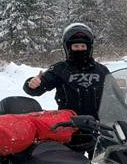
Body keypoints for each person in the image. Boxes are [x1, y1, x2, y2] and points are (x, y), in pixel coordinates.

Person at [23, 23, 110, 156]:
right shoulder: (60, 69)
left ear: (89, 47)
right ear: (68, 48)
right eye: (75, 46)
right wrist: (32, 83)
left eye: (83, 46)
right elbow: (38, 88)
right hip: (69, 127)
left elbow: (114, 95)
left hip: (97, 127)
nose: (80, 49)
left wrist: (122, 89)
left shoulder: (101, 70)